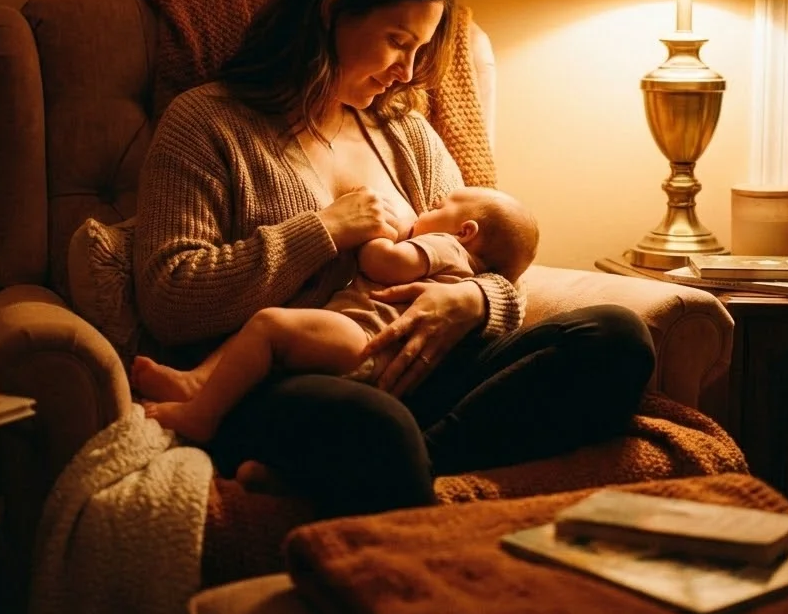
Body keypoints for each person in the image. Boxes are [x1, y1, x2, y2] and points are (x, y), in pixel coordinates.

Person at [132, 0, 655, 517]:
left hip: (423, 373)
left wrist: (474, 300)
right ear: (332, 10)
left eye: (420, 50)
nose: (407, 72)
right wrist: (324, 230)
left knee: (616, 338)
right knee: (373, 423)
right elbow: (170, 301)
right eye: (398, 41)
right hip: (285, 384)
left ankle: (401, 466)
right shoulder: (207, 123)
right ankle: (402, 473)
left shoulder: (403, 132)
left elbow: (488, 255)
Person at [132, 186, 540, 443]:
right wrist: (327, 225)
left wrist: (378, 233)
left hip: (363, 338)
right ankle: (201, 386)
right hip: (374, 355)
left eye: (437, 205)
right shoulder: (458, 259)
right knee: (272, 327)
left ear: (465, 231)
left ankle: (201, 414)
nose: (425, 208)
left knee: (269, 325)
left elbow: (386, 264)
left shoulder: (444, 245)